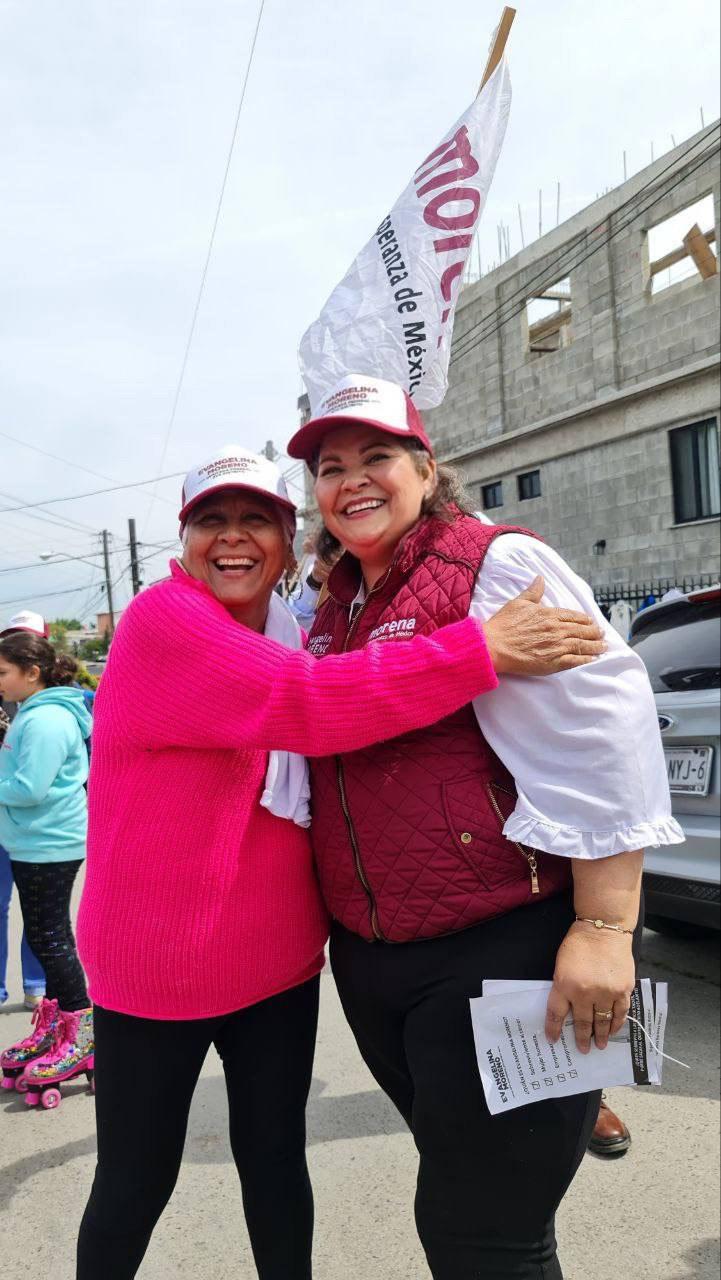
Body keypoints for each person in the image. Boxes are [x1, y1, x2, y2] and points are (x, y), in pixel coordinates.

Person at [74, 444, 604, 1280]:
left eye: (258, 519)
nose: (234, 538)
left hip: (276, 964)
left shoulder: (295, 628)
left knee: (277, 1164)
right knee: (136, 1178)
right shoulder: (166, 622)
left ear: (289, 541)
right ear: (182, 541)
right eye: (211, 521)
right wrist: (477, 650)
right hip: (158, 967)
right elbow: (310, 706)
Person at [286, 373, 684, 1279]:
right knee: (471, 1205)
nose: (352, 479)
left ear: (427, 470)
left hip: (503, 946)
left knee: (483, 1236)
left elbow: (603, 736)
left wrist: (602, 927)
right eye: (330, 466)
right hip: (379, 961)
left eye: (377, 457)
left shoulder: (495, 564)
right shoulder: (336, 600)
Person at [0, 635, 93, 1095]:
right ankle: (57, 1026)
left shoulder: (46, 721)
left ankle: (85, 1035)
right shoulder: (32, 716)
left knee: (51, 937)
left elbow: (29, 789)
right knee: (43, 934)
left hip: (49, 843)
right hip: (34, 841)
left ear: (31, 673)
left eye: (2, 673)